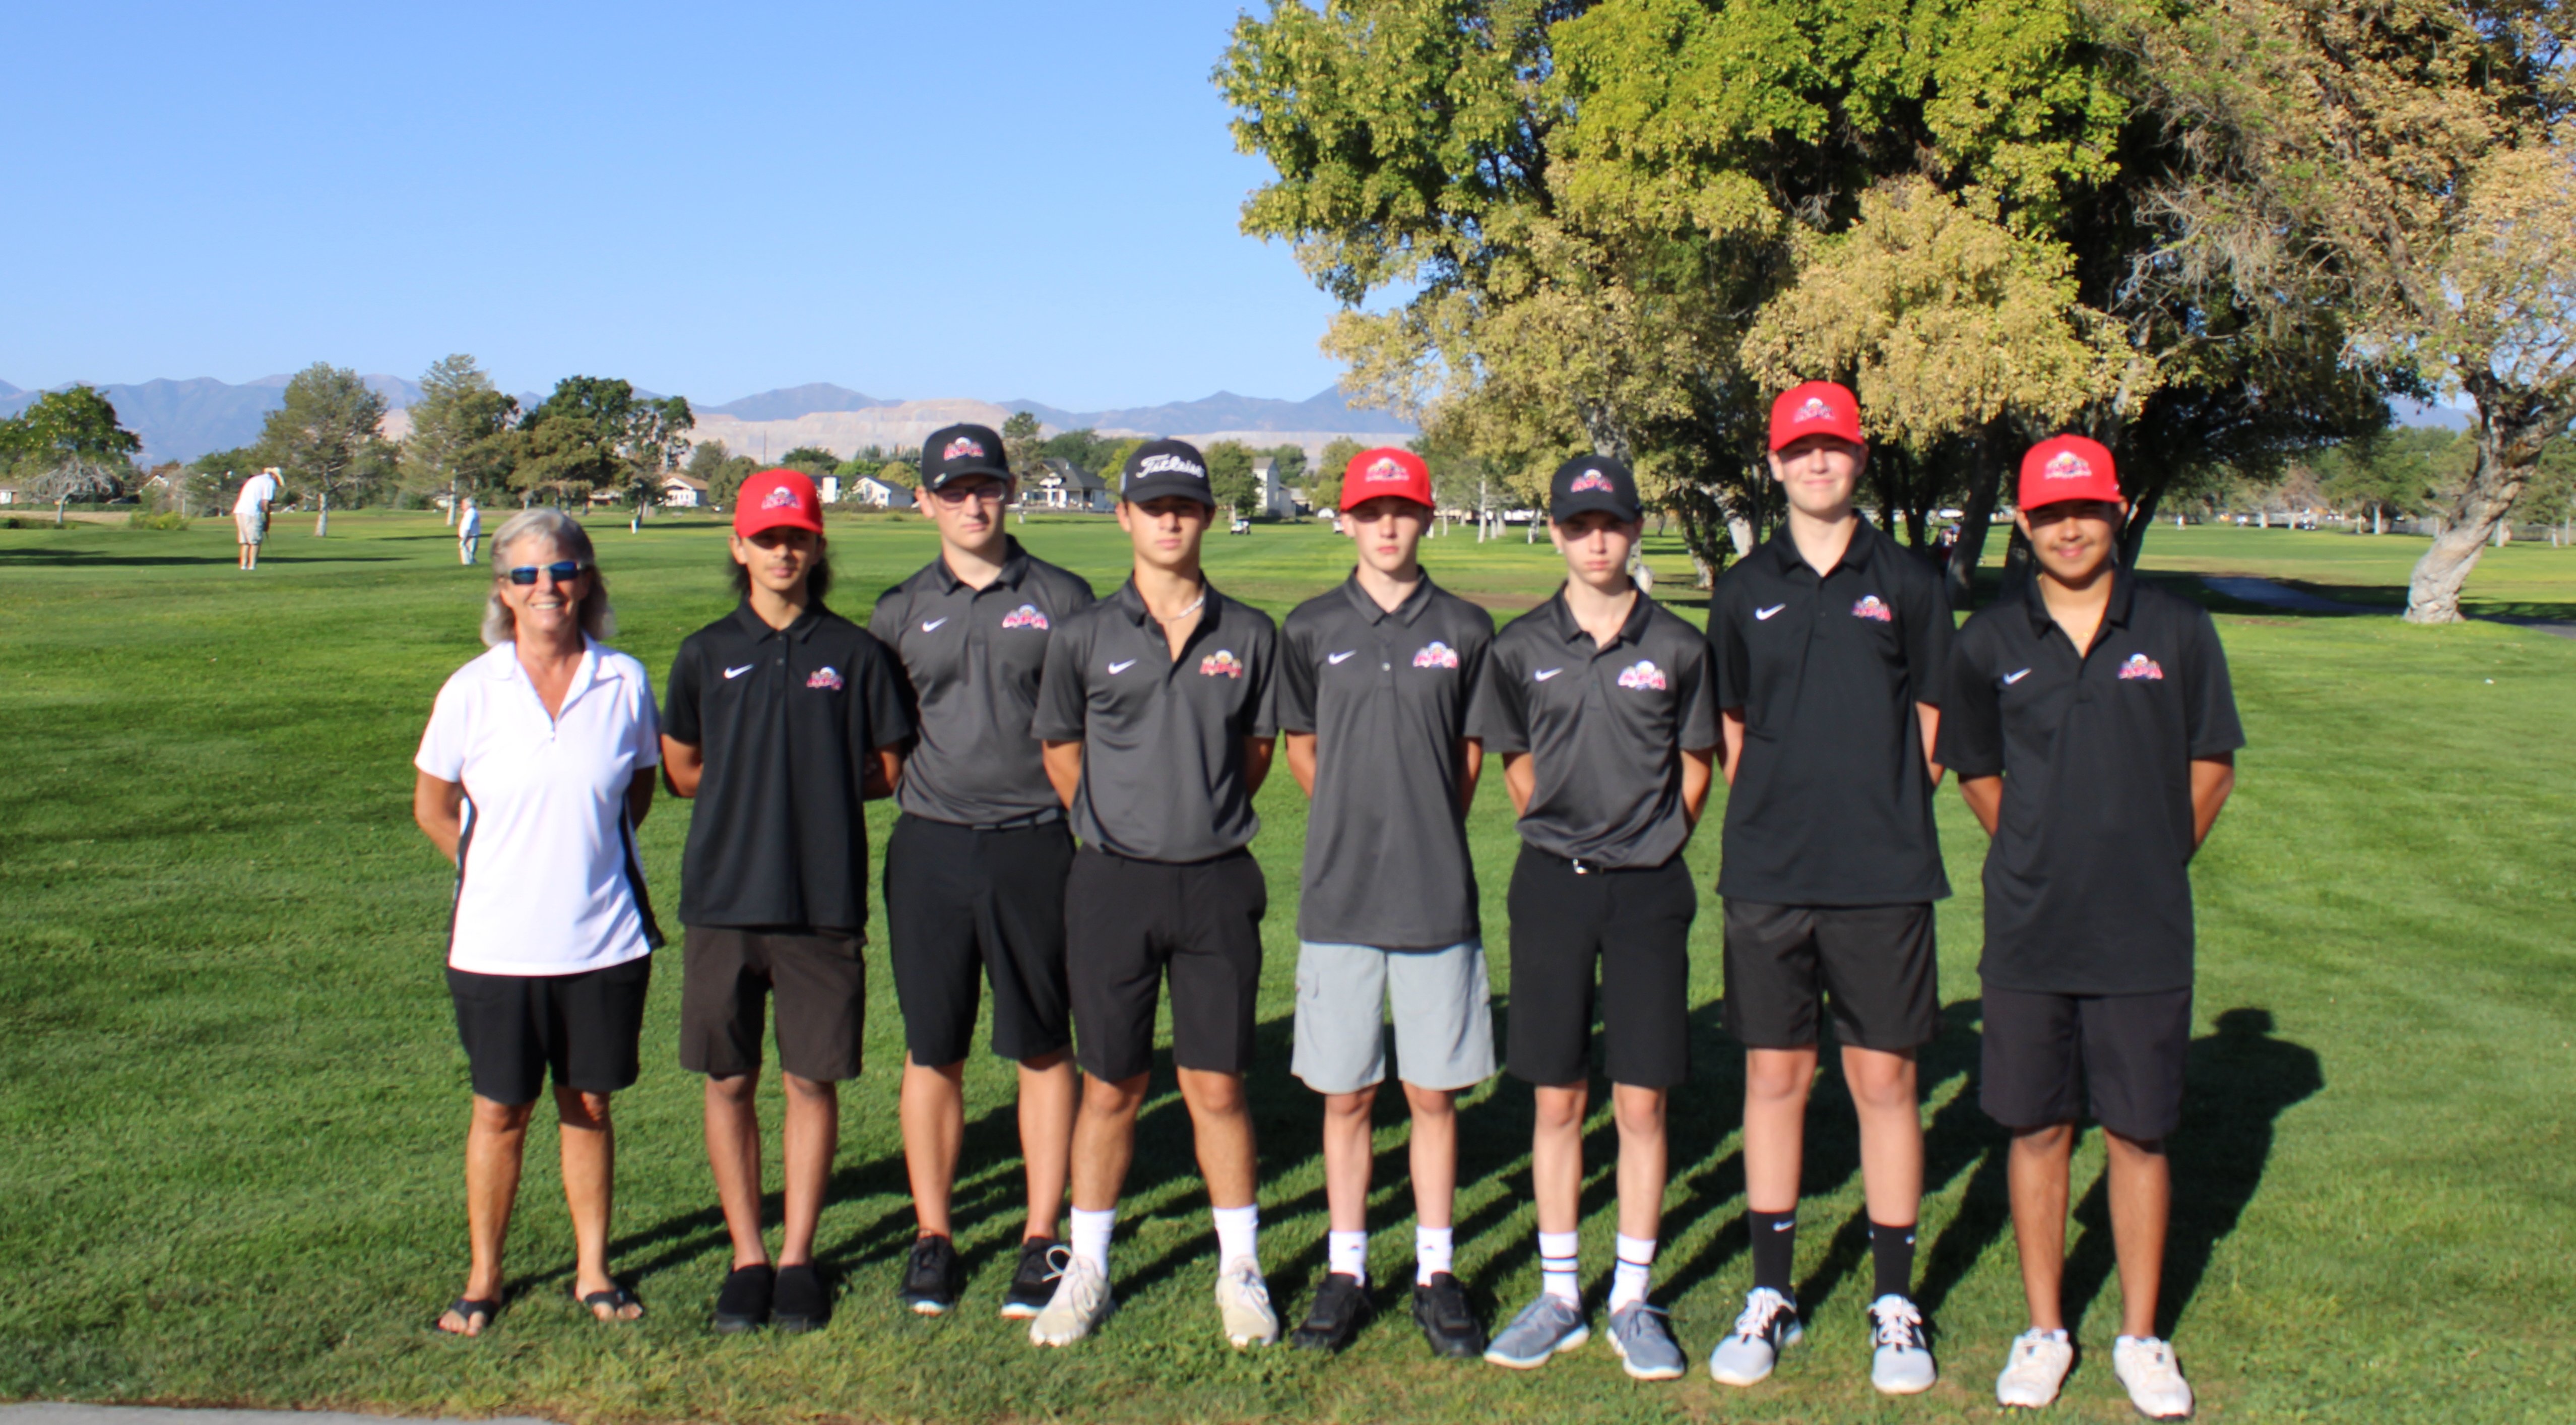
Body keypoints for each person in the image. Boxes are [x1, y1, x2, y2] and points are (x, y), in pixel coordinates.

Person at [1940, 436, 2240, 1419]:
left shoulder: (2180, 629)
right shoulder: (1988, 640)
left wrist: (2151, 858)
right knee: (2038, 1126)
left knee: (2142, 1133)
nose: (2071, 527)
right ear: (2024, 528)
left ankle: (2143, 1338)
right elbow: (1978, 772)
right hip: (2030, 929)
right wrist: (2036, 848)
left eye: (2089, 509)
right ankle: (2044, 1327)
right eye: (2051, 513)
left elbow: (2211, 764)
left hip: (2144, 933)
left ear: (2117, 515)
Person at [1703, 381, 1953, 1395]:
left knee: (1885, 1082)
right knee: (1775, 1079)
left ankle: (1895, 1301)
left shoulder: (1908, 577)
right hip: (1769, 871)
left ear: (1860, 459)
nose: (1819, 464)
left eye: (1835, 449)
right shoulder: (1740, 584)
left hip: (1883, 874)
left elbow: (1933, 719)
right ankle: (1772, 1292)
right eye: (1800, 450)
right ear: (1774, 464)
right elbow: (1729, 727)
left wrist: (1879, 812)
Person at [1025, 440, 1282, 1349]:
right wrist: (1118, 822)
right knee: (1109, 1085)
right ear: (1123, 516)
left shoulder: (1249, 633)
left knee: (1215, 1084)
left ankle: (1239, 1268)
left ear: (1207, 516)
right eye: (1153, 504)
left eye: (1187, 504)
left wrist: (1194, 821)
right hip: (1111, 884)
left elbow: (1253, 755)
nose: (1170, 519)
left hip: (1216, 882)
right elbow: (1062, 749)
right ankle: (1087, 1266)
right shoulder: (1084, 635)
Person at [1467, 455, 1718, 1381]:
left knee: (1642, 1095)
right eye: (1579, 525)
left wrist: (1651, 842)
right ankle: (1561, 1291)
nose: (1597, 539)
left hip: (1649, 889)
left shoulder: (1680, 645)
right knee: (1558, 1094)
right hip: (1552, 886)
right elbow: (1516, 764)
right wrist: (1566, 833)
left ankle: (1633, 1298)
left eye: (1611, 522)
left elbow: (1695, 766)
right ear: (1557, 532)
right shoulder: (1519, 644)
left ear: (1634, 526)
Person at [661, 469, 914, 1335]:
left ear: (817, 546)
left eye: (796, 537)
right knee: (729, 1078)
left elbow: (886, 770)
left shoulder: (854, 655)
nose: (781, 550)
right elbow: (684, 769)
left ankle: (798, 1254)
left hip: (821, 902)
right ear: (737, 545)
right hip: (725, 901)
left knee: (811, 1078)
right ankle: (747, 1255)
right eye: (765, 537)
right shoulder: (703, 652)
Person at [410, 508, 662, 1337]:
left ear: (587, 580)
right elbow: (434, 805)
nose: (546, 587)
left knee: (588, 1103)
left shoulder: (622, 679)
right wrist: (495, 872)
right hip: (494, 945)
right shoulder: (471, 689)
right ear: (502, 591)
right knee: (499, 1108)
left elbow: (636, 791)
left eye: (562, 570)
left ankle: (593, 1269)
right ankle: (485, 1275)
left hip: (603, 940)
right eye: (526, 574)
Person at [867, 424, 1096, 1317]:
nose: (972, 503)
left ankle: (1042, 1236)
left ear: (1008, 489)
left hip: (1035, 840)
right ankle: (934, 1234)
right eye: (952, 489)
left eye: (986, 485)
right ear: (923, 499)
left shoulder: (1065, 598)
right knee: (935, 1048)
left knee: (1041, 1041)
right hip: (928, 844)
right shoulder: (896, 610)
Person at [1276, 447, 1497, 1357]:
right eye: (1371, 512)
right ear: (1347, 520)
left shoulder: (1467, 627)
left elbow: (1469, 760)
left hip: (1434, 895)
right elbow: (1300, 748)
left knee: (1433, 1094)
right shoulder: (1310, 625)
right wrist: (1354, 824)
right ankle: (1347, 1267)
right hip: (1338, 899)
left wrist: (1417, 827)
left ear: (1428, 516)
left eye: (1402, 510)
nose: (1388, 526)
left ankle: (1437, 1270)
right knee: (1346, 1096)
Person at [234, 466, 279, 571]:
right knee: (255, 541)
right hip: (252, 512)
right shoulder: (269, 482)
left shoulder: (254, 479)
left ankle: (243, 566)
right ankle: (252, 566)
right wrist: (267, 520)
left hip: (240, 510)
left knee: (245, 541)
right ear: (274, 476)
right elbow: (265, 503)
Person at [459, 497, 482, 566]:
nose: (462, 506)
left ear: (468, 505)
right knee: (469, 557)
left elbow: (467, 527)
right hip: (470, 537)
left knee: (468, 559)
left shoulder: (471, 513)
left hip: (470, 538)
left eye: (463, 504)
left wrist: (464, 540)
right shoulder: (470, 513)